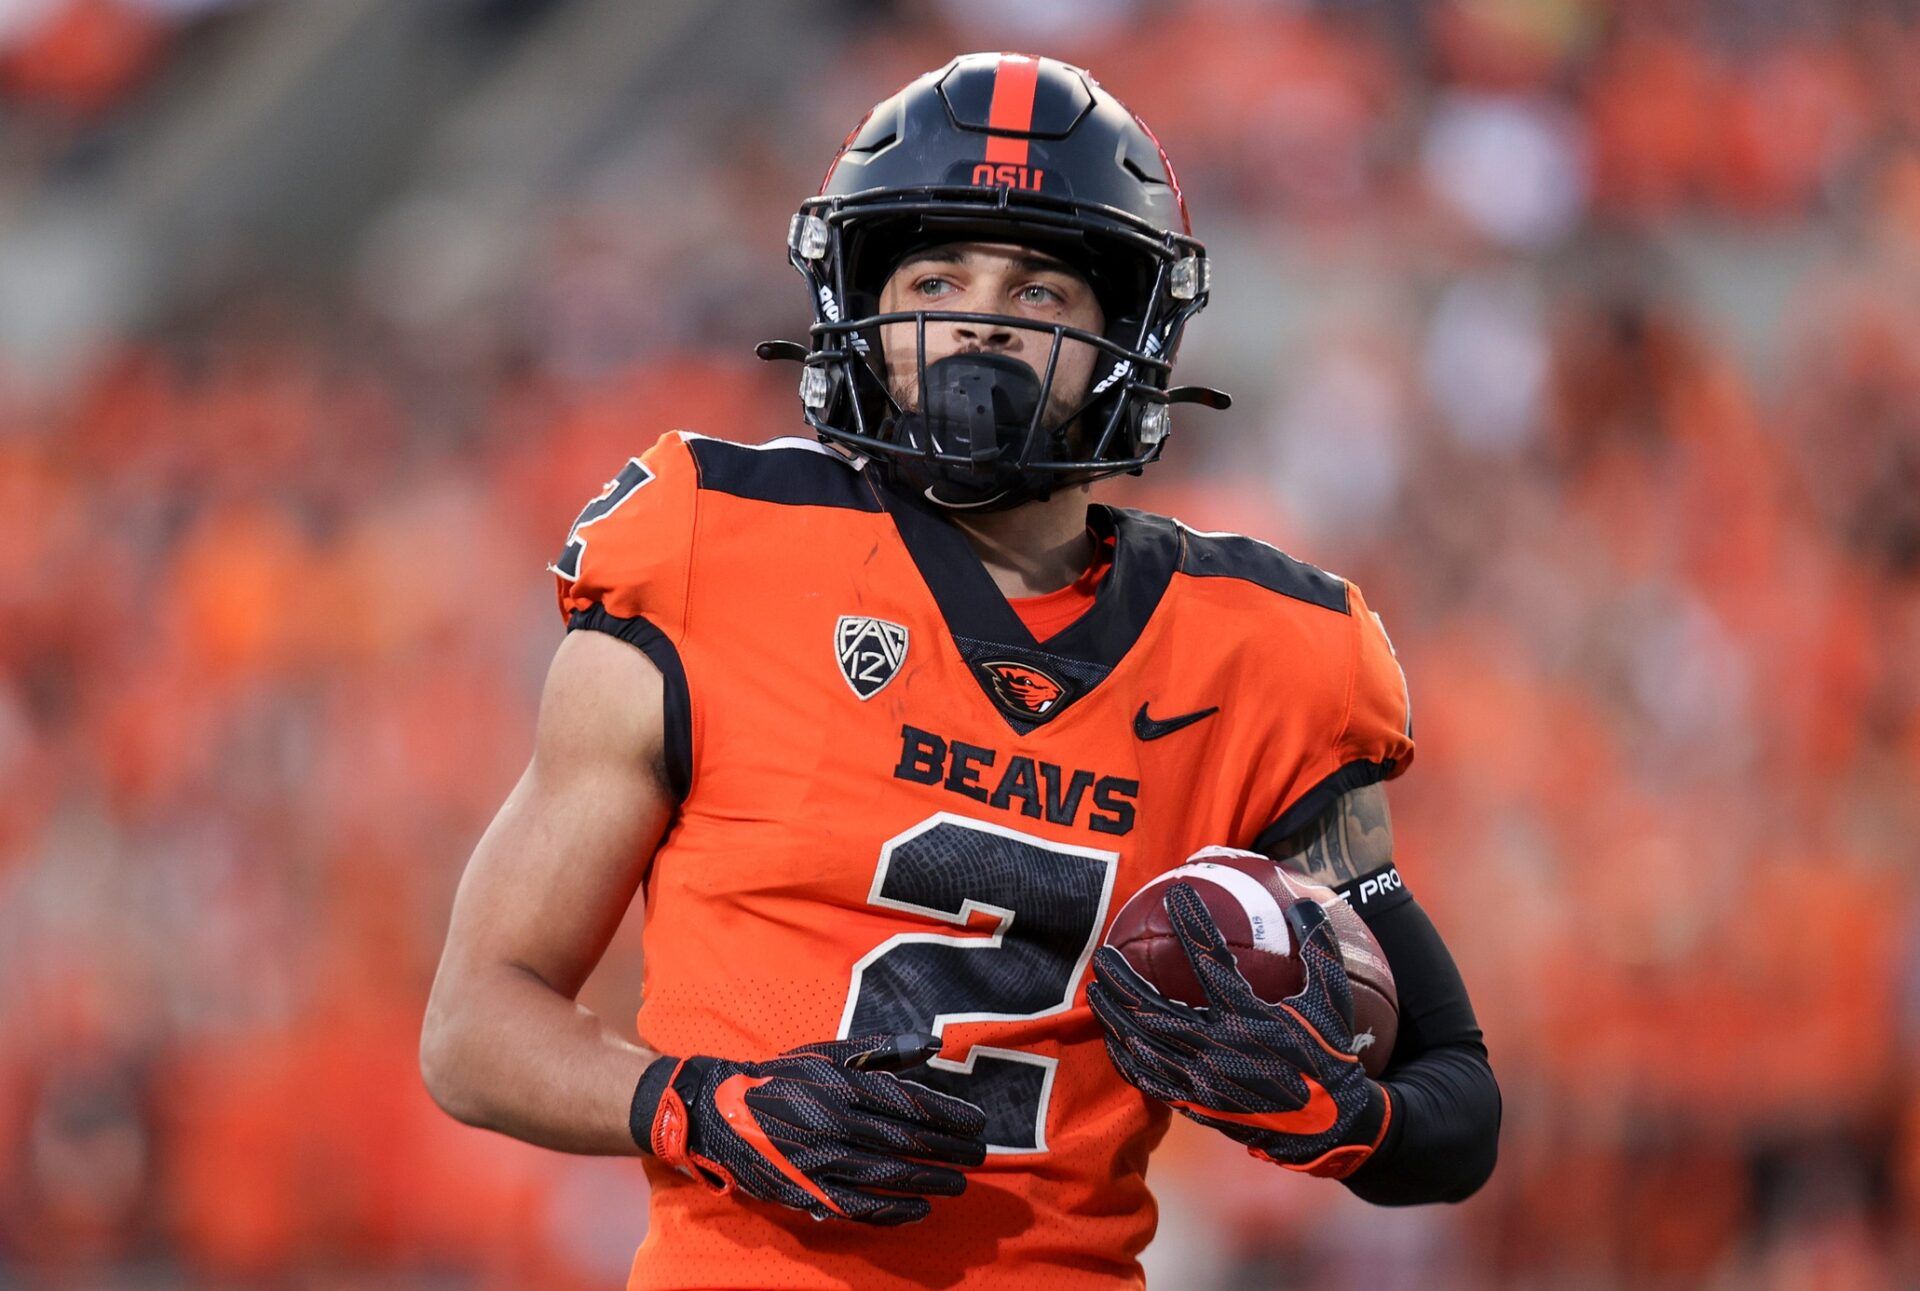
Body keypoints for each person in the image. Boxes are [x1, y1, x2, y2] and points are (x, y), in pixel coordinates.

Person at [420, 52, 1500, 1289]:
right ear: (862, 315)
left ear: (1124, 337)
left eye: (1039, 286)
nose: (982, 316)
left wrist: (1344, 1122)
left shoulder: (1267, 652)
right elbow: (474, 1026)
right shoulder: (710, 544)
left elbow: (1457, 1098)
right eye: (936, 276)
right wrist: (699, 1109)